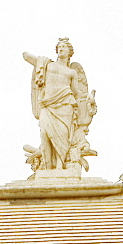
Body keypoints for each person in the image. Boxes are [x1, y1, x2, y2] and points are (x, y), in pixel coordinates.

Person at [23, 38, 80, 171]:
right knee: (44, 133)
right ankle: (48, 167)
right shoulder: (48, 65)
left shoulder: (72, 72)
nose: (61, 49)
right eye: (59, 47)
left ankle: (60, 166)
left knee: (62, 136)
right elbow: (28, 57)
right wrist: (28, 56)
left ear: (70, 52)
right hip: (48, 105)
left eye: (64, 47)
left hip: (65, 105)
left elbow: (76, 91)